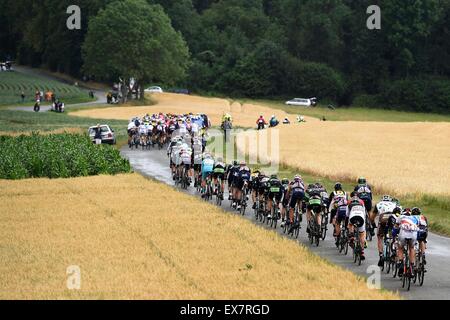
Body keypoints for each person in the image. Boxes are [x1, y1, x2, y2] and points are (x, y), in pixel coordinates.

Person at [393, 208, 422, 277]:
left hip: (403, 234)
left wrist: (394, 234)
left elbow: (396, 227)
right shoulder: (416, 217)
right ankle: (412, 267)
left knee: (400, 247)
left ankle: (401, 263)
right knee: (411, 248)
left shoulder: (401, 217)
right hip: (413, 234)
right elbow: (419, 227)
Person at [372, 195, 398, 267]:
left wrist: (373, 224)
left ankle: (381, 255)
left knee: (380, 237)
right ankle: (394, 249)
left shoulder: (378, 204)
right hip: (392, 219)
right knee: (395, 236)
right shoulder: (394, 204)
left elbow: (372, 217)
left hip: (383, 218)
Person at [347, 192, 366, 260]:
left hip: (353, 216)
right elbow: (364, 213)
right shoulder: (361, 201)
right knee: (362, 234)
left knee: (350, 224)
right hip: (361, 217)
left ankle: (351, 235)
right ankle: (362, 252)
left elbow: (347, 215)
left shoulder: (349, 201)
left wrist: (348, 226)